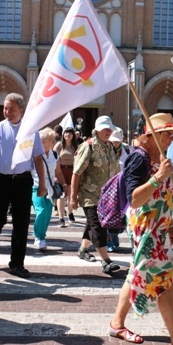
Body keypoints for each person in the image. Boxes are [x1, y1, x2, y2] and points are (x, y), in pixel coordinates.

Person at [109, 113, 173, 345]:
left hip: (157, 228)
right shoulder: (139, 159)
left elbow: (163, 200)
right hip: (144, 229)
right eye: (169, 135)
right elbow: (134, 199)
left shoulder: (160, 158)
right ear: (153, 136)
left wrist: (171, 226)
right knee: (164, 280)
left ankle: (116, 324)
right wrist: (157, 177)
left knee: (136, 273)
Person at [0, 93, 46, 279]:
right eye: (5, 108)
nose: (7, 112)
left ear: (21, 110)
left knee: (21, 222)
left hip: (23, 181)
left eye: (11, 108)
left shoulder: (31, 132)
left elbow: (38, 158)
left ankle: (17, 263)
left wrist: (41, 183)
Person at [70, 115, 121, 274]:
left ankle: (83, 249)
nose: (107, 131)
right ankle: (106, 261)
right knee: (98, 226)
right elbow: (77, 173)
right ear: (97, 130)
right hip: (89, 195)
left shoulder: (111, 147)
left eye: (109, 128)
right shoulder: (88, 146)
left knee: (92, 225)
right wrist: (72, 197)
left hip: (106, 196)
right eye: (104, 129)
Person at [32, 127, 66, 250]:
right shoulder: (35, 155)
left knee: (47, 214)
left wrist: (65, 185)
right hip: (36, 187)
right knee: (41, 211)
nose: (41, 143)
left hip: (50, 188)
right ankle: (38, 237)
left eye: (44, 141)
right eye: (40, 141)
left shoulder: (55, 155)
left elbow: (59, 172)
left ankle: (42, 236)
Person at [107, 126, 131, 252]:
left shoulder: (127, 149)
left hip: (124, 187)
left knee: (123, 215)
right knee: (110, 214)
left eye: (117, 141)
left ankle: (115, 234)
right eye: (113, 141)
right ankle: (110, 239)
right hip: (109, 187)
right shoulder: (106, 149)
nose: (115, 143)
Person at [54, 126, 78, 227]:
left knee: (70, 194)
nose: (67, 135)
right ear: (63, 135)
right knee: (61, 195)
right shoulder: (59, 145)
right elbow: (53, 157)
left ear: (73, 135)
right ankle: (61, 218)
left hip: (72, 171)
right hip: (60, 171)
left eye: (70, 133)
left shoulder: (76, 147)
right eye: (66, 133)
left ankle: (70, 213)